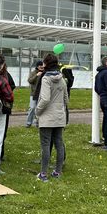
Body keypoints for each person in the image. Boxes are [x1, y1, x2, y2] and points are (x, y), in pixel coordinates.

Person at [35, 54, 68, 182]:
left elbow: (45, 98)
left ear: (46, 63)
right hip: (59, 115)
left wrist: (37, 111)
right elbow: (66, 98)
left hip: (47, 116)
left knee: (45, 144)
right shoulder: (62, 79)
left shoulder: (46, 79)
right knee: (59, 143)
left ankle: (43, 174)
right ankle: (57, 172)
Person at [0, 61, 15, 161]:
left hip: (3, 107)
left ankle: (0, 154)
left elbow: (12, 87)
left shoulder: (6, 75)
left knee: (2, 132)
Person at [26, 60, 44, 127]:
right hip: (34, 94)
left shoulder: (45, 72)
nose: (41, 66)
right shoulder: (34, 72)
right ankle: (28, 122)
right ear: (37, 66)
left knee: (39, 109)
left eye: (42, 65)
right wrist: (36, 75)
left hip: (42, 94)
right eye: (40, 65)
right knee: (32, 108)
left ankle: (37, 122)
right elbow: (30, 80)